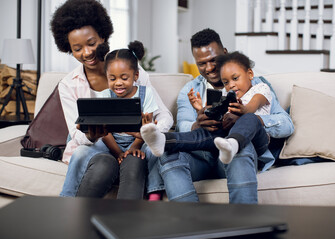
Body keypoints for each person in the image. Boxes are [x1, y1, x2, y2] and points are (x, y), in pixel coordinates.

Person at [144, 28, 294, 204]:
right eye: (201, 64)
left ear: (224, 53)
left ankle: (243, 225)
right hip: (201, 155)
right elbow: (183, 124)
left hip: (233, 150)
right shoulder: (189, 91)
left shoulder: (256, 86)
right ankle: (190, 226)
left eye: (213, 60)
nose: (209, 68)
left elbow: (286, 124)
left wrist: (250, 120)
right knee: (168, 154)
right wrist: (197, 123)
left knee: (240, 146)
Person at [50, 0, 172, 197]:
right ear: (68, 48)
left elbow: (163, 114)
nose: (87, 53)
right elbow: (77, 135)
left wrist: (147, 132)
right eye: (77, 48)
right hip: (94, 145)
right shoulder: (68, 84)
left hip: (132, 143)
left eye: (91, 43)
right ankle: (66, 204)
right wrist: (91, 134)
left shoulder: (133, 71)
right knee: (81, 153)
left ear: (103, 36)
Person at [61, 41, 158, 199]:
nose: (118, 82)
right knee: (88, 145)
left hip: (137, 141)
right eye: (112, 78)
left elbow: (146, 128)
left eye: (124, 78)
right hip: (110, 142)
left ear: (136, 76)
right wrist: (118, 152)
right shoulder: (105, 95)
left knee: (142, 154)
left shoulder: (146, 94)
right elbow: (104, 132)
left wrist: (133, 147)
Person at [141, 51, 271, 165]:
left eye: (235, 78)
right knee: (204, 133)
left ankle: (233, 143)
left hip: (256, 139)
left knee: (250, 118)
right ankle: (164, 140)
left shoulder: (260, 88)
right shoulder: (227, 95)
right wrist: (201, 110)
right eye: (226, 82)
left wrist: (243, 111)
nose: (231, 85)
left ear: (250, 74)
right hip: (226, 137)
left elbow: (253, 105)